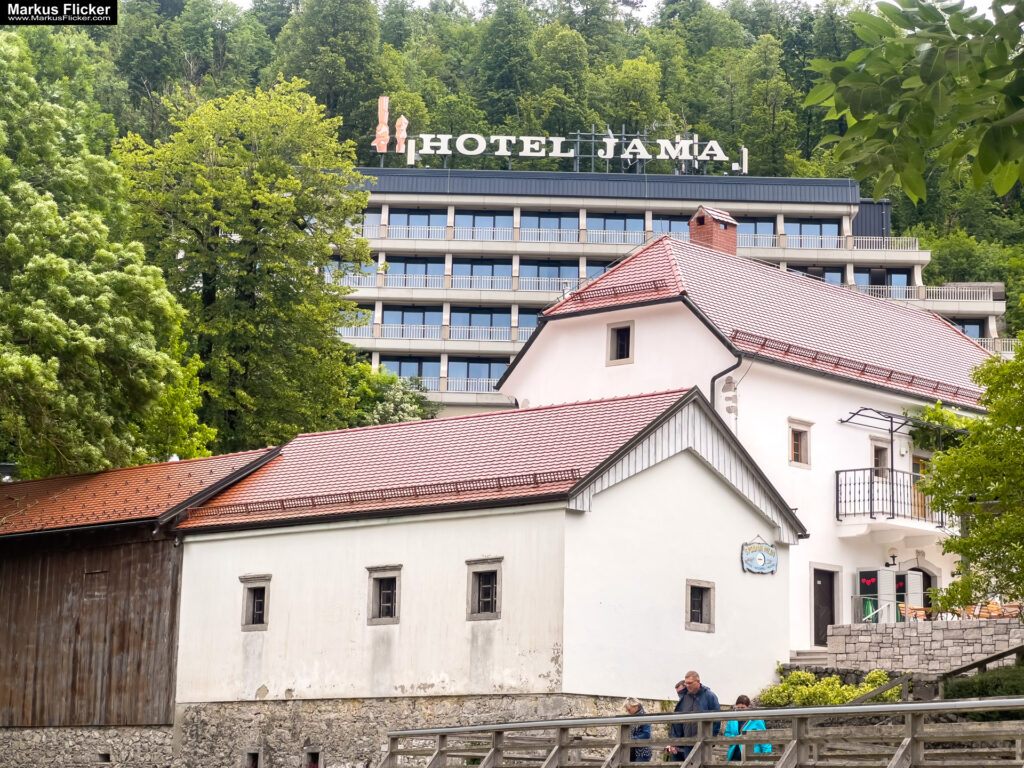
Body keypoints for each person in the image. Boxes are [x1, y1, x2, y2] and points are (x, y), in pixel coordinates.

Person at [667, 671, 720, 761]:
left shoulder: (709, 696)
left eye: (690, 683)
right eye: (686, 683)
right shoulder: (684, 697)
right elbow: (677, 722)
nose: (687, 685)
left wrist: (711, 739)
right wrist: (674, 741)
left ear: (698, 682)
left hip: (703, 742)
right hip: (687, 743)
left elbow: (717, 720)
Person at [723, 695, 772, 762]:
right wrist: (735, 738)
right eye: (738, 708)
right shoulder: (732, 720)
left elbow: (764, 740)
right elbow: (727, 734)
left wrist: (767, 758)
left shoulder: (757, 720)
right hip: (734, 756)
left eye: (743, 708)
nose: (740, 710)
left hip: (751, 757)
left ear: (748, 707)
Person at [622, 697, 652, 763]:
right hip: (632, 751)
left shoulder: (645, 717)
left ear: (636, 707)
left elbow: (646, 735)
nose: (628, 712)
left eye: (629, 710)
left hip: (642, 752)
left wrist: (631, 739)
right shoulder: (634, 717)